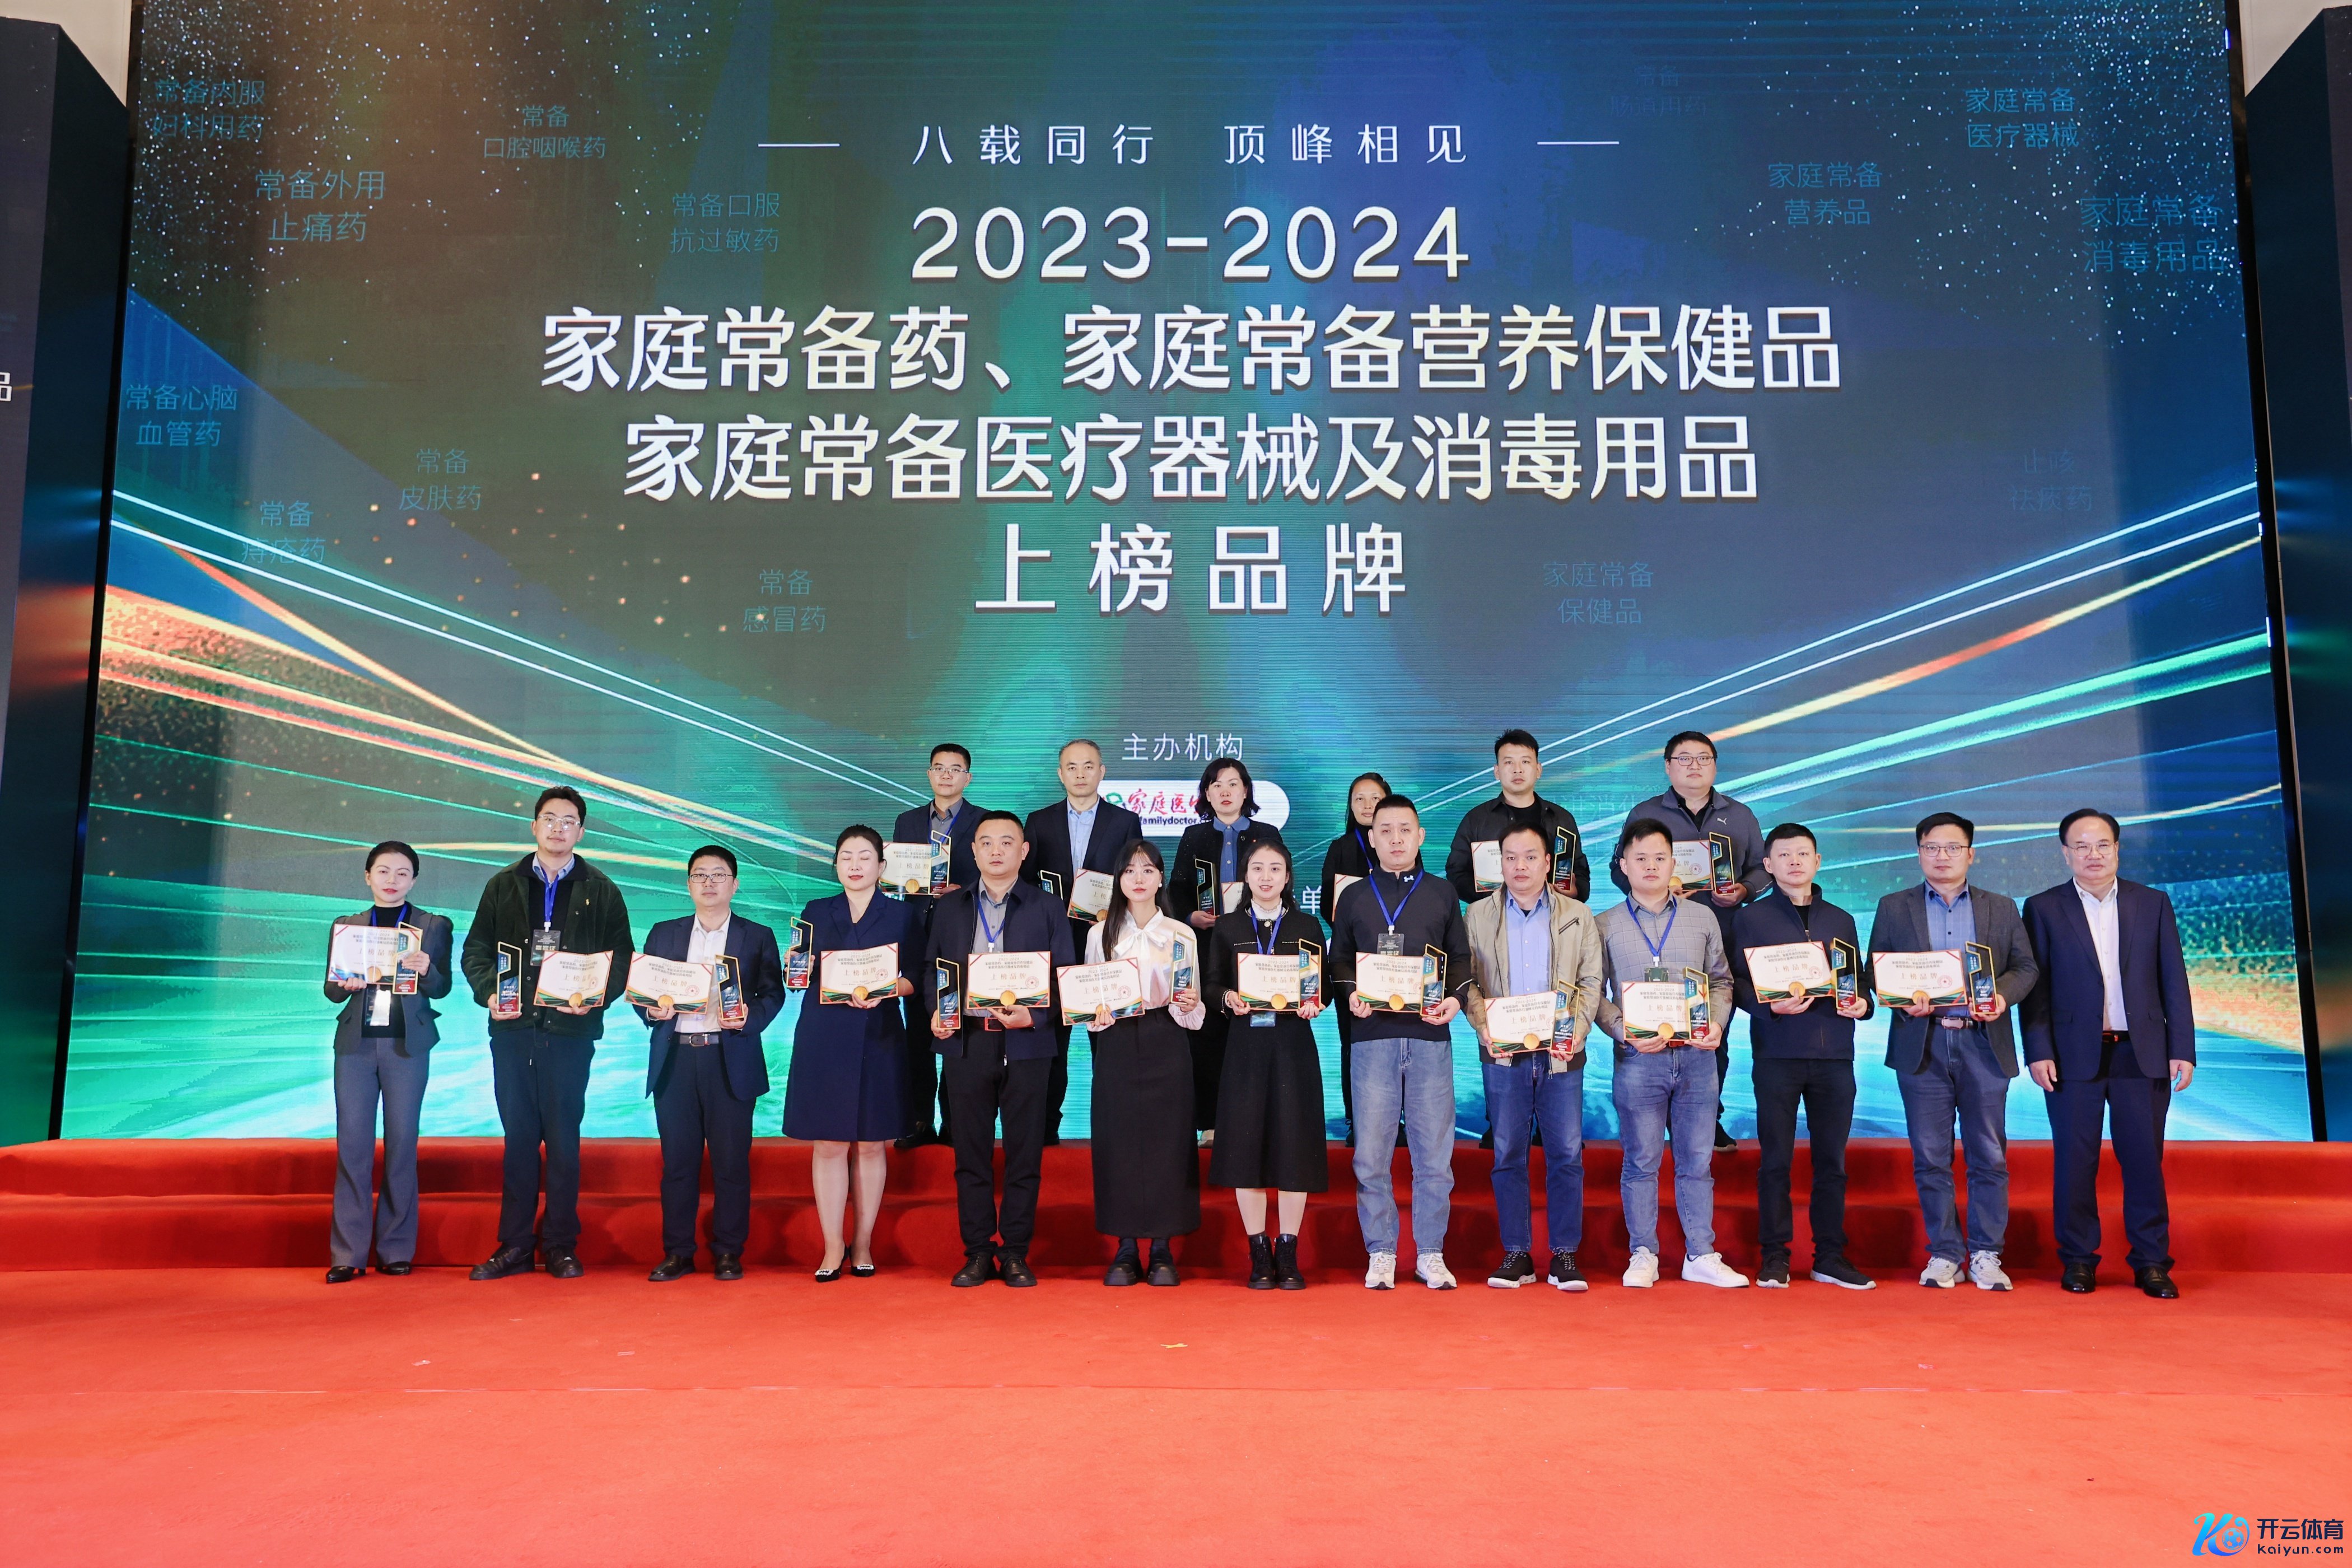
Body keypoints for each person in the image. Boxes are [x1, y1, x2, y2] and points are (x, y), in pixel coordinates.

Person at [459, 786, 633, 1281]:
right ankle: (515, 1245)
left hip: (571, 1033)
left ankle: (560, 1245)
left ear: (581, 831)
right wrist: (490, 994)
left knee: (563, 1143)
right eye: (550, 819)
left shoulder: (602, 889)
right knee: (518, 1141)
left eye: (569, 821)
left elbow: (621, 958)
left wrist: (595, 996)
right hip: (513, 1031)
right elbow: (476, 951)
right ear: (534, 826)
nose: (559, 828)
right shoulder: (503, 885)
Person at [2020, 809, 2196, 1299]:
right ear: (2065, 853)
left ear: (2117, 849)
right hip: (2071, 1056)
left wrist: (2182, 1048)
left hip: (2142, 1052)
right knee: (2074, 1163)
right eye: (2081, 846)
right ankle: (2079, 1260)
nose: (2092, 854)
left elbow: (2174, 980)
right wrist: (2038, 1049)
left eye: (2102, 845)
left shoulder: (2152, 903)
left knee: (2144, 1161)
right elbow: (2036, 990)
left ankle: (2151, 1262)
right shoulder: (2043, 908)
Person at [1869, 811, 2039, 1291]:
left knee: (1989, 1156)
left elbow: (2026, 968)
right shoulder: (1894, 906)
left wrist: (2001, 996)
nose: (1941, 856)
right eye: (1931, 847)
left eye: (1952, 848)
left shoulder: (2001, 907)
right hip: (1922, 1044)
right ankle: (1945, 1253)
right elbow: (1876, 970)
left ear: (1971, 854)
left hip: (1983, 1043)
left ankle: (1986, 1253)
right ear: (1919, 853)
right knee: (1930, 1158)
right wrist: (1902, 999)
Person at [921, 810, 1077, 1287]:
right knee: (970, 1155)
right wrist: (936, 1011)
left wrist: (1037, 1016)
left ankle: (1014, 1253)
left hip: (1028, 1045)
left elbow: (1065, 976)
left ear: (1023, 851)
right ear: (972, 851)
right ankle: (976, 1251)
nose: (996, 850)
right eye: (986, 842)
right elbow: (931, 969)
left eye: (1007, 842)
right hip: (968, 1045)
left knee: (1024, 1156)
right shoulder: (951, 907)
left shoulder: (1048, 907)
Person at [1327, 794, 1474, 1291]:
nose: (1395, 839)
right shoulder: (1353, 896)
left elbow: (1460, 958)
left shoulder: (1442, 893)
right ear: (1371, 838)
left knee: (1434, 1156)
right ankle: (1382, 1251)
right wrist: (1351, 993)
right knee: (1371, 1155)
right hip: (1372, 1037)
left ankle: (1430, 1253)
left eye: (1405, 830)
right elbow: (1339, 959)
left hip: (1429, 1036)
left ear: (1420, 836)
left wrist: (1455, 999)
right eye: (1385, 831)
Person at [1597, 819, 1746, 1289]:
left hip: (1697, 1058)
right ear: (1623, 866)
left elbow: (1721, 980)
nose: (1651, 866)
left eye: (1660, 858)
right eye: (1640, 858)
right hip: (1639, 1059)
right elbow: (1591, 994)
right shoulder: (1604, 924)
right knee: (1641, 1161)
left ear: (1673, 863)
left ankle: (1700, 1253)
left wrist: (1716, 1023)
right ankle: (1643, 1252)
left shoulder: (1703, 918)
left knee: (1696, 1162)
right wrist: (1623, 1031)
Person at [1726, 824, 1874, 1290]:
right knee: (1775, 1161)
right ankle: (1775, 1256)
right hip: (1777, 1055)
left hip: (1835, 1057)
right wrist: (1768, 1006)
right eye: (1784, 855)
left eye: (1803, 854)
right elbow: (1735, 983)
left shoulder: (1841, 919)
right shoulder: (1750, 919)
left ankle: (1830, 1256)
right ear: (1768, 865)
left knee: (1832, 1163)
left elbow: (1858, 979)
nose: (1794, 861)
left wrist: (1863, 1004)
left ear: (1817, 861)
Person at [1462, 822, 1602, 1292]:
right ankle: (1517, 1253)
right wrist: (1483, 1024)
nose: (1520, 866)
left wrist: (1578, 1030)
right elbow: (1468, 980)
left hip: (1562, 1052)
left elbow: (1591, 981)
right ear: (1499, 863)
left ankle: (1564, 1254)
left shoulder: (1578, 914)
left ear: (1547, 863)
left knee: (1566, 1155)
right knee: (1507, 1154)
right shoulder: (1477, 915)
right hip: (1503, 1055)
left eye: (1530, 857)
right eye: (1511, 858)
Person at [1611, 730, 1767, 1151]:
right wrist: (1657, 889)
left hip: (1719, 936)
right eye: (1684, 758)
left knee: (1712, 1031)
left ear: (1715, 765)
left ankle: (1706, 1117)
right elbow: (1617, 867)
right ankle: (1653, 1119)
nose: (1694, 765)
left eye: (1703, 758)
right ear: (1668, 767)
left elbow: (1762, 868)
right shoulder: (1645, 812)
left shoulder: (1740, 815)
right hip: (1651, 936)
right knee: (1651, 1025)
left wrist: (1744, 891)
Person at [637, 844, 787, 1283]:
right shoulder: (664, 934)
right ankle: (678, 1253)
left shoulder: (757, 935)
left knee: (731, 1164)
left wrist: (750, 1018)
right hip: (676, 1059)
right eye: (699, 875)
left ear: (735, 885)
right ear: (688, 885)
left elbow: (772, 993)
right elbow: (645, 991)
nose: (709, 882)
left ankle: (728, 1252)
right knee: (678, 1164)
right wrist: (651, 1010)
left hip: (729, 1057)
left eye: (718, 875)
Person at [782, 826, 918, 1279]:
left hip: (879, 1035)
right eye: (846, 857)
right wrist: (794, 967)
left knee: (873, 1142)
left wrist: (887, 990)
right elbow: (798, 976)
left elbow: (916, 977)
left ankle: (862, 1243)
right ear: (836, 865)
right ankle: (831, 1246)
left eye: (864, 857)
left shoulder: (902, 915)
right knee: (828, 1142)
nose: (855, 865)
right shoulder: (816, 911)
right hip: (824, 1037)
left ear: (882, 866)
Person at [321, 842, 453, 1284]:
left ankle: (396, 1248)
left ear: (413, 880)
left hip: (406, 1045)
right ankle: (347, 1254)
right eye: (383, 871)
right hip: (356, 1047)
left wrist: (427, 968)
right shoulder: (347, 926)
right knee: (353, 1146)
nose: (392, 880)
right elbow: (331, 990)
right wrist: (345, 983)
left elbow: (441, 988)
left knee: (402, 1144)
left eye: (402, 873)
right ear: (368, 876)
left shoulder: (432, 925)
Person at [1208, 837, 1330, 1290]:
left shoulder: (1306, 925)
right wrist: (1227, 997)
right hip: (1245, 1048)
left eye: (1275, 868)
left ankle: (1288, 1250)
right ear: (1245, 875)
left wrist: (1316, 1002)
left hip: (1293, 1046)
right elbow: (1211, 983)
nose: (1266, 876)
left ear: (1287, 876)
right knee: (1247, 1145)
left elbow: (1322, 985)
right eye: (1257, 868)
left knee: (1294, 1143)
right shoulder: (1228, 926)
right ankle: (1258, 1252)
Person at [1082, 839, 1206, 1286]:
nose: (1139, 878)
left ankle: (1161, 1248)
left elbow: (1193, 1005)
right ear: (1119, 880)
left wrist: (1189, 1003)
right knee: (1117, 1140)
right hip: (1117, 1040)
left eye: (1148, 870)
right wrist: (1094, 1013)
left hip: (1166, 1035)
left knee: (1168, 1141)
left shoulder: (1181, 934)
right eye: (1130, 870)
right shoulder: (1100, 934)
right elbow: (1088, 999)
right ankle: (1125, 1247)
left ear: (1160, 878)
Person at [1024, 738, 1144, 1145]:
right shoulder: (1039, 821)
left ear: (1102, 772)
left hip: (1104, 944)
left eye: (1088, 766)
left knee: (1108, 1039)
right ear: (1061, 774)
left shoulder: (1125, 821)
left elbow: (1136, 877)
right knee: (1050, 1042)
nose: (1080, 774)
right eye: (1072, 767)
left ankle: (1114, 1129)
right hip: (1053, 945)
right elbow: (1028, 885)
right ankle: (1045, 1129)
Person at [1169, 756, 1284, 1140]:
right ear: (1207, 793)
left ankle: (1260, 1122)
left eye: (1233, 784)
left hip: (1259, 947)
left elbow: (1283, 886)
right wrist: (1191, 917)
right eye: (1216, 785)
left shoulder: (1267, 834)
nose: (1225, 792)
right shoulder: (1194, 836)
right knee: (1209, 1036)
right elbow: (1176, 891)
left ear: (1246, 790)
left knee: (1258, 1032)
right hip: (1208, 948)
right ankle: (1211, 1123)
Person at [892, 743, 990, 1150]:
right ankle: (918, 1120)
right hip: (915, 935)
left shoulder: (984, 821)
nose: (947, 775)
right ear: (929, 774)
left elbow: (995, 872)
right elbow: (895, 877)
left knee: (957, 1027)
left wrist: (962, 889)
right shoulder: (907, 821)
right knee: (917, 1030)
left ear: (968, 777)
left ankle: (954, 1121)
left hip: (962, 932)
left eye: (956, 768)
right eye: (939, 768)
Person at [1318, 771, 1391, 1145]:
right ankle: (1355, 1120)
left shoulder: (1398, 844)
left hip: (1395, 963)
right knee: (1353, 1043)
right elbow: (1328, 908)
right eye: (1359, 798)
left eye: (1374, 797)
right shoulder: (1340, 848)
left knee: (1395, 1041)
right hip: (1351, 961)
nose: (1367, 805)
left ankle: (1396, 1120)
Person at [1443, 727, 1593, 904]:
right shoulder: (1476, 820)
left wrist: (1574, 892)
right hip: (1494, 917)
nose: (1518, 770)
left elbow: (1581, 872)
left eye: (1525, 762)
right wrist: (1491, 899)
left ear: (1538, 770)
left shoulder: (1562, 819)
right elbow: (1456, 872)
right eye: (1509, 762)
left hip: (1555, 915)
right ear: (1497, 772)